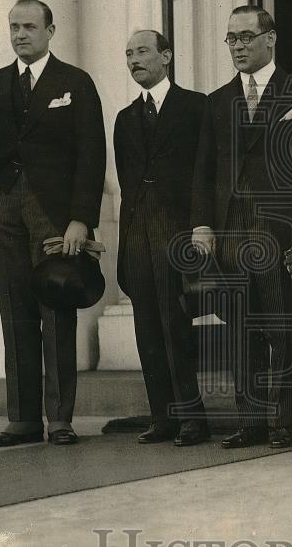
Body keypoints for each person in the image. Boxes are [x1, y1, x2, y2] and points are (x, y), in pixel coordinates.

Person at [0, 0, 106, 447]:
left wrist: (81, 220)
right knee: (14, 309)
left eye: (29, 26)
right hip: (0, 207)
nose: (20, 34)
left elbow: (91, 155)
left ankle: (60, 419)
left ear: (51, 30)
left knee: (56, 305)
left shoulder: (76, 82)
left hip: (53, 211)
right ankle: (23, 419)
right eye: (13, 27)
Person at [192, 6, 292, 450]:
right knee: (239, 329)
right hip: (230, 231)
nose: (238, 46)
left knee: (281, 327)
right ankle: (250, 421)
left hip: (278, 229)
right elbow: (203, 170)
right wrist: (202, 225)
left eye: (246, 36)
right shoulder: (218, 101)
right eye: (231, 39)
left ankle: (281, 422)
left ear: (270, 38)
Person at [114, 30, 209, 446]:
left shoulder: (195, 106)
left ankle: (192, 416)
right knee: (146, 326)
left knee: (174, 323)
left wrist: (198, 226)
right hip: (137, 232)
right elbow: (126, 184)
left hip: (176, 228)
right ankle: (163, 417)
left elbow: (205, 173)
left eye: (143, 52)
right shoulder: (124, 118)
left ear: (166, 56)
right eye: (129, 54)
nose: (134, 60)